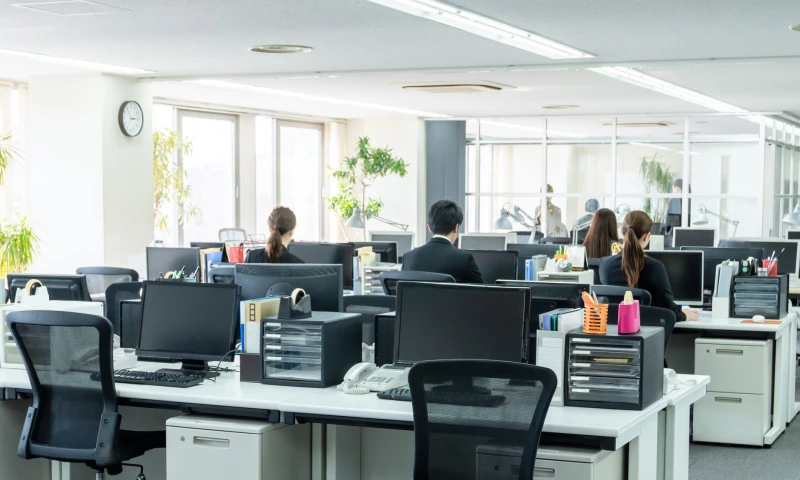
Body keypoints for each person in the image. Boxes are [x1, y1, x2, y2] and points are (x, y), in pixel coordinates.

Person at [599, 210, 698, 322]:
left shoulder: (604, 264)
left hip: (612, 329)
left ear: (622, 233)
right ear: (647, 237)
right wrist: (684, 315)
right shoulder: (655, 267)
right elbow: (668, 307)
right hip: (647, 330)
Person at [402, 200, 483, 284]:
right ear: (456, 228)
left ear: (429, 227)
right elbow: (481, 290)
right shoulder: (464, 258)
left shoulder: (408, 257)